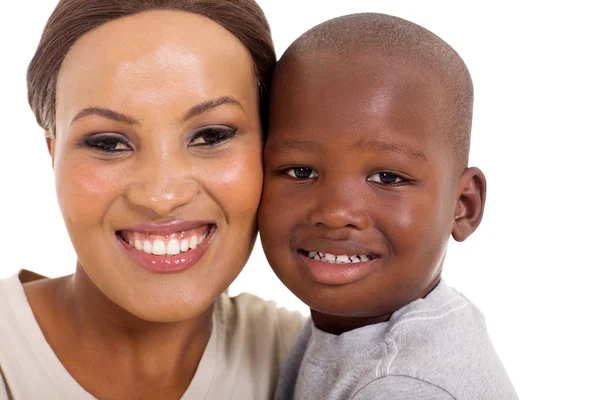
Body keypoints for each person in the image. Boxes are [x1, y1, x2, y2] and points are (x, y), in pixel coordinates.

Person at [0, 1, 304, 399]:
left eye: (211, 136)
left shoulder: (314, 360)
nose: (162, 197)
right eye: (108, 143)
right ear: (53, 154)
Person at [259, 13, 519, 400]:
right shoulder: (361, 330)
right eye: (300, 171)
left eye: (388, 178)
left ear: (462, 207)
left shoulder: (400, 386)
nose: (335, 212)